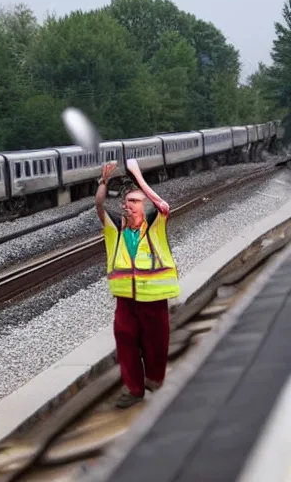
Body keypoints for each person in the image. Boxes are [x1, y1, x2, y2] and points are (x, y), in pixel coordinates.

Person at [95, 159, 180, 409]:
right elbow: (99, 205)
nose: (127, 206)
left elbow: (163, 205)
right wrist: (103, 181)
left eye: (134, 202)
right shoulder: (115, 230)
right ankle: (134, 389)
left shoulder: (154, 226)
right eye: (126, 202)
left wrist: (138, 177)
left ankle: (154, 378)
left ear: (145, 207)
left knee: (155, 343)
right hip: (126, 297)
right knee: (125, 340)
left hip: (153, 295)